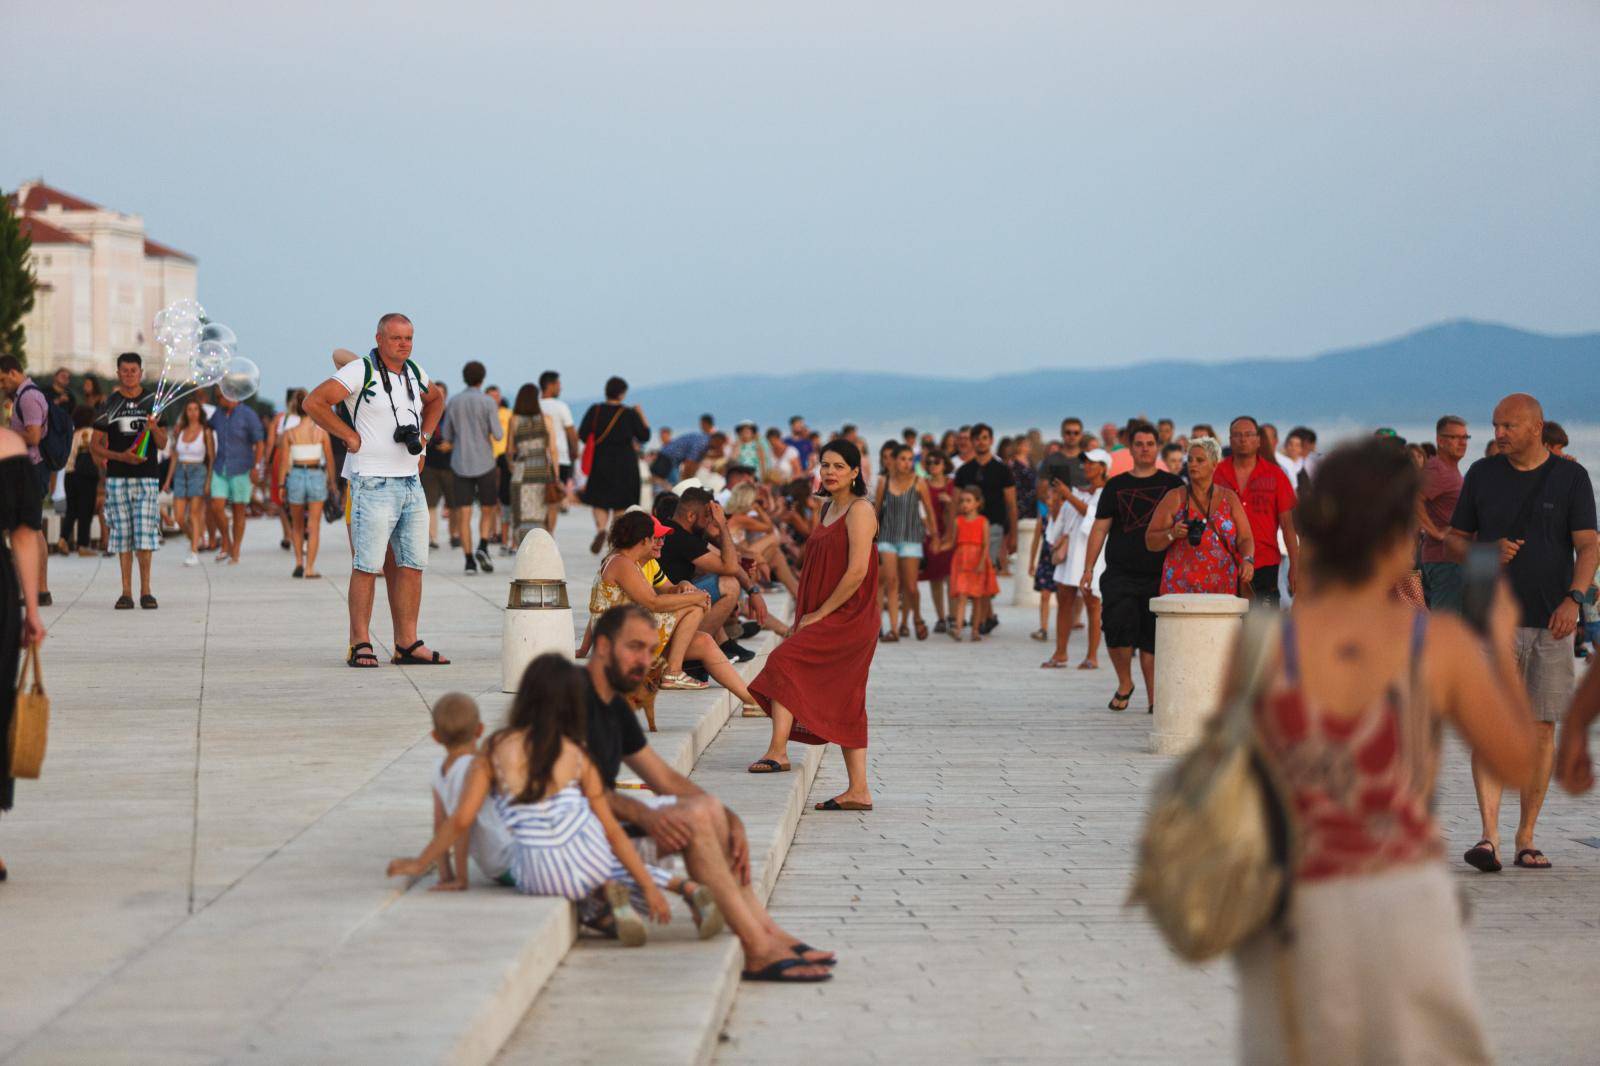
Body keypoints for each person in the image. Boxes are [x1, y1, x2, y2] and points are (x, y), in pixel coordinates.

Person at [1233, 438, 1539, 1064]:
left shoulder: (1264, 647)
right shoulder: (1436, 645)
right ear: (1398, 532)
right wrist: (1499, 647)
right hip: (1396, 894)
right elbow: (1520, 763)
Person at [582, 606, 833, 978]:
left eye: (652, 651)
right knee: (698, 818)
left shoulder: (613, 703)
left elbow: (663, 777)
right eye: (635, 648)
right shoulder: (567, 696)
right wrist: (643, 814)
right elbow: (559, 789)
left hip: (599, 827)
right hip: (564, 841)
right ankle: (758, 947)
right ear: (602, 646)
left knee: (709, 812)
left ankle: (769, 933)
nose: (645, 663)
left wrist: (729, 817)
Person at [388, 657, 687, 947]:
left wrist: (420, 862)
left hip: (533, 873)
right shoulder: (577, 754)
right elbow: (611, 830)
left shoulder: (494, 748)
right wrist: (648, 887)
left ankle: (600, 906)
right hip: (592, 859)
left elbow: (461, 819)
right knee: (595, 846)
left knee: (558, 860)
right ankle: (664, 886)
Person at [1445, 393, 1597, 872]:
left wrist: (1575, 600)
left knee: (1540, 729)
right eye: (1495, 425)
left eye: (1507, 426)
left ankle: (1525, 836)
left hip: (1552, 623)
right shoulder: (1482, 475)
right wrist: (1489, 554)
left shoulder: (1572, 477)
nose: (1498, 434)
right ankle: (1487, 836)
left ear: (1536, 427)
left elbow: (1589, 545)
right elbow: (1455, 543)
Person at [303, 313, 449, 669]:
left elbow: (437, 400)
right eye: (397, 338)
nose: (404, 344)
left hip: (410, 482)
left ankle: (407, 643)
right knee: (367, 565)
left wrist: (425, 442)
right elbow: (314, 402)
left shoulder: (414, 372)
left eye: (409, 337)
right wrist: (348, 435)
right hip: (372, 480)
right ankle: (360, 642)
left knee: (412, 565)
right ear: (380, 338)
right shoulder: (360, 370)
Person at [747, 439, 880, 817]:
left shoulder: (860, 511)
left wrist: (820, 614)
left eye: (839, 466)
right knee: (846, 696)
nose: (831, 472)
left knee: (785, 661)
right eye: (826, 465)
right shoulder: (826, 509)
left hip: (849, 616)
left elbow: (857, 572)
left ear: (856, 472)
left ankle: (778, 751)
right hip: (822, 610)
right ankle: (859, 789)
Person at [592, 510, 758, 702]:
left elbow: (667, 590)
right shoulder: (621, 563)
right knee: (693, 606)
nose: (660, 543)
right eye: (656, 538)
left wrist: (685, 586)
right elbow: (652, 602)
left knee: (704, 641)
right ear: (643, 540)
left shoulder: (631, 562)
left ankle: (751, 701)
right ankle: (673, 672)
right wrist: (695, 598)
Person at [1080, 423, 1182, 711]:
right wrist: (1088, 568)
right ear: (1131, 448)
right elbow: (1099, 529)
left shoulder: (1173, 485)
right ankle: (1125, 682)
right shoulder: (1116, 485)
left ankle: (1154, 700)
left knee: (1152, 641)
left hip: (1160, 572)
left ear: (1157, 446)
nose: (1145, 448)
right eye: (1139, 444)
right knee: (1115, 629)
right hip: (1120, 572)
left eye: (1150, 443)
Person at [0, 423, 47, 882]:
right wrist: (30, 610)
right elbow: (24, 532)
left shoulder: (11, 446)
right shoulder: (9, 446)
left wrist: (31, 608)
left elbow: (25, 534)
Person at [416, 692, 515, 890]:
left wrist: (446, 875)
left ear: (435, 737)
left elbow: (440, 825)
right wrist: (461, 878)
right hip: (511, 860)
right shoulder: (477, 767)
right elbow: (462, 825)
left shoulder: (438, 770)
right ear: (479, 730)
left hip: (493, 868)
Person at [91, 352, 167, 609]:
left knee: (145, 535)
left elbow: (163, 442)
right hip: (118, 478)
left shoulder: (152, 402)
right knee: (122, 535)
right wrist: (120, 456)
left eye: (134, 370)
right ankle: (126, 592)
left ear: (141, 372)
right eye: (125, 371)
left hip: (147, 477)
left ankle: (146, 591)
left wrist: (154, 427)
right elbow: (95, 446)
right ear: (118, 373)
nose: (129, 375)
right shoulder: (109, 403)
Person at [658, 488, 767, 662]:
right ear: (691, 516)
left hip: (675, 601)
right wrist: (723, 525)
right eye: (707, 516)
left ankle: (720, 643)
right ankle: (691, 650)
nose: (710, 520)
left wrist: (753, 590)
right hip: (668, 608)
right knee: (729, 585)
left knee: (723, 580)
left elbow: (730, 561)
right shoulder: (681, 538)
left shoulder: (684, 532)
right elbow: (730, 567)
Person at [1146, 436, 1254, 596]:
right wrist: (1172, 533)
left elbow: (1245, 538)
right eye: (1189, 460)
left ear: (1214, 464)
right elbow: (1150, 541)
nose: (1193, 464)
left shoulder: (1229, 498)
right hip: (1180, 590)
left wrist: (1248, 560)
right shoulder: (1175, 497)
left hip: (1222, 588)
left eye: (1200, 460)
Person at [1213, 415, 1300, 605]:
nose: (1243, 439)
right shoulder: (1216, 474)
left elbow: (1288, 525)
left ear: (1258, 440)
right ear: (1230, 440)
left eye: (1248, 434)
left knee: (1263, 628)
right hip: (1222, 562)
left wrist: (1295, 564)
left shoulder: (1276, 475)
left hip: (1264, 562)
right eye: (1237, 435)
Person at [1045, 448, 1110, 670]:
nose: (1088, 466)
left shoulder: (1105, 493)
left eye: (1093, 463)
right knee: (1064, 602)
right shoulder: (1079, 492)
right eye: (1086, 463)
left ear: (1103, 468)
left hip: (1089, 555)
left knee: (1093, 603)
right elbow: (1061, 522)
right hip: (1070, 555)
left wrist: (1068, 494)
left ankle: (1092, 656)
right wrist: (1057, 502)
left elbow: (1092, 516)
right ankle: (1060, 652)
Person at [953, 423, 1017, 634]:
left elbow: (1011, 503)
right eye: (977, 438)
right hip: (968, 530)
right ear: (971, 441)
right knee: (977, 574)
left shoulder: (1002, 470)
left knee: (985, 571)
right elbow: (956, 503)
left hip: (994, 527)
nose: (981, 442)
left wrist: (1014, 533)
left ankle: (979, 619)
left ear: (991, 440)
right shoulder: (964, 471)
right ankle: (987, 617)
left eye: (984, 438)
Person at [440, 361, 503, 574]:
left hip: (460, 463)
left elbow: (447, 435)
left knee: (464, 514)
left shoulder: (454, 402)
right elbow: (498, 434)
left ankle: (468, 560)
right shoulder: (488, 402)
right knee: (488, 509)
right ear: (482, 378)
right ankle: (483, 545)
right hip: (485, 462)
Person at [0, 357, 52, 606]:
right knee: (32, 529)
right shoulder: (24, 396)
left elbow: (32, 436)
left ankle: (40, 589)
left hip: (30, 467)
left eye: (2, 379)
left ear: (13, 372)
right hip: (28, 467)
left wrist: (6, 434)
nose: (1, 385)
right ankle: (39, 589)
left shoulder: (29, 397)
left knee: (30, 530)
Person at [579, 378, 651, 554]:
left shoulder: (595, 410)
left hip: (600, 461)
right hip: (625, 463)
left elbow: (582, 434)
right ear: (622, 393)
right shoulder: (629, 413)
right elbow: (644, 436)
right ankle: (613, 536)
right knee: (621, 503)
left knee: (600, 501)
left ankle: (601, 530)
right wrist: (641, 414)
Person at [875, 442, 935, 642]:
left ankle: (916, 618)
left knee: (911, 586)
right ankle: (892, 628)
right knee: (892, 582)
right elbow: (875, 512)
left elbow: (929, 510)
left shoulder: (919, 482)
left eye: (910, 459)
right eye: (903, 459)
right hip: (887, 536)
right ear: (894, 460)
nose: (907, 463)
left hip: (911, 537)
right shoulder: (884, 481)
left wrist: (935, 536)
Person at [279, 390, 336, 579]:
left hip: (296, 473)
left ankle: (298, 562)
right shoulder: (321, 432)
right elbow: (329, 460)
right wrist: (333, 483)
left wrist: (280, 485)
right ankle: (310, 567)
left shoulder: (289, 433)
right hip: (315, 474)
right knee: (314, 525)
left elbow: (283, 463)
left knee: (296, 524)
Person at [1417, 416, 1470, 612]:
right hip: (1444, 561)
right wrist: (1436, 532)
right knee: (1445, 624)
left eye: (1465, 437)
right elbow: (1414, 500)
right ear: (1440, 440)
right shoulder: (1437, 469)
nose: (1462, 443)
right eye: (1455, 437)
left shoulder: (1449, 469)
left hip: (1452, 559)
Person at [207, 388, 265, 565]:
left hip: (242, 468)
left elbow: (259, 442)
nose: (217, 400)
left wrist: (256, 467)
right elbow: (207, 428)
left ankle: (236, 549)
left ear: (230, 395)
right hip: (220, 467)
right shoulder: (218, 413)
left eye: (219, 396)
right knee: (216, 506)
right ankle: (226, 540)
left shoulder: (248, 414)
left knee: (239, 509)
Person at [163, 399, 213, 567]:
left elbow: (211, 458)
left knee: (194, 513)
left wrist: (208, 481)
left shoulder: (205, 431)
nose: (192, 412)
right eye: (189, 409)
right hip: (180, 472)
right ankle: (195, 540)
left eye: (195, 409)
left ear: (200, 412)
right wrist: (168, 479)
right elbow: (175, 456)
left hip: (198, 471)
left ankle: (193, 551)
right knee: (179, 516)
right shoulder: (181, 431)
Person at [506, 383, 559, 540]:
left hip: (521, 470)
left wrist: (512, 466)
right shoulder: (546, 420)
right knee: (542, 512)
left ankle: (523, 547)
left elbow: (509, 450)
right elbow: (553, 450)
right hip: (542, 471)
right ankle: (543, 543)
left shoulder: (514, 420)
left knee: (521, 514)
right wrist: (556, 474)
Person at [948, 486, 999, 641]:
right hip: (962, 560)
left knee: (977, 597)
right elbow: (953, 542)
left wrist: (982, 562)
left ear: (978, 503)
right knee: (962, 595)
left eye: (968, 501)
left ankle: (975, 629)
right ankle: (958, 627)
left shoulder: (983, 522)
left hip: (977, 560)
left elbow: (985, 544)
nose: (965, 504)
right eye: (962, 501)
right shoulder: (958, 521)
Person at [919, 448, 959, 633]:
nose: (933, 466)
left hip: (950, 534)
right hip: (931, 535)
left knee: (951, 578)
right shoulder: (923, 484)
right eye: (930, 462)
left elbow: (962, 508)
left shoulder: (953, 485)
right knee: (935, 578)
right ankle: (941, 618)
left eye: (937, 462)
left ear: (944, 464)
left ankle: (952, 616)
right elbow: (919, 511)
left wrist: (950, 502)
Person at [59, 406, 100, 557]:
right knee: (85, 510)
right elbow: (94, 454)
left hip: (69, 475)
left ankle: (63, 538)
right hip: (85, 476)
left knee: (72, 510)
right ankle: (83, 545)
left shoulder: (72, 434)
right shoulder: (89, 433)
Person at [419, 382, 453, 550]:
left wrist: (451, 445)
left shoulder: (451, 413)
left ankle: (455, 534)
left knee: (454, 503)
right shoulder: (423, 412)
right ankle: (432, 537)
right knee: (430, 503)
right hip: (430, 462)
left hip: (450, 463)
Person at [538, 370, 580, 502]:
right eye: (558, 384)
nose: (560, 387)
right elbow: (571, 433)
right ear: (550, 385)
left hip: (538, 459)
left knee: (540, 499)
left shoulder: (535, 406)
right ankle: (550, 523)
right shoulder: (561, 407)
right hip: (560, 458)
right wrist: (575, 451)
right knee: (554, 500)